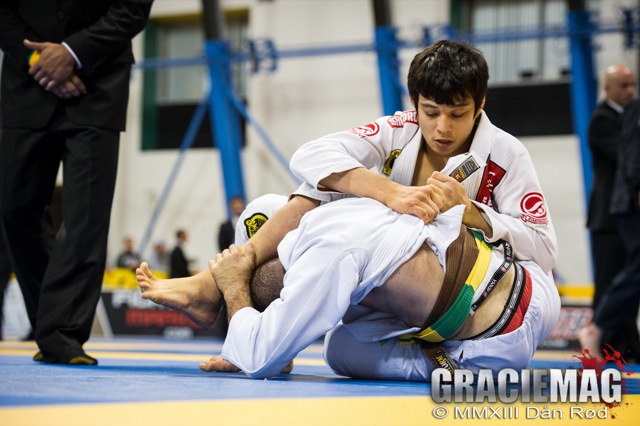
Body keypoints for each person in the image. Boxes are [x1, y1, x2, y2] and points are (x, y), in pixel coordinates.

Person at [212, 40, 557, 307]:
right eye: (430, 112)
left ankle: (215, 294)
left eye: (457, 114)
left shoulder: (505, 154)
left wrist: (473, 213)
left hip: (455, 291)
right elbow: (310, 155)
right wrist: (388, 192)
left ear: (480, 105)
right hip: (375, 268)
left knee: (344, 352)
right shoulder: (399, 129)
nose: (442, 128)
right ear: (414, 102)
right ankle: (231, 304)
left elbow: (544, 249)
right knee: (265, 210)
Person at [137, 195, 560, 380]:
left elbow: (257, 361)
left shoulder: (322, 253)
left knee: (339, 349)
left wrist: (233, 291)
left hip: (492, 355)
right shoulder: (347, 205)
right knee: (358, 307)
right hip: (537, 288)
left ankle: (246, 313)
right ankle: (273, 329)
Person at [0, 0, 154, 364]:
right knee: (14, 209)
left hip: (97, 85)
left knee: (86, 217)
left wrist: (72, 53)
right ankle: (51, 317)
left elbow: (132, 8)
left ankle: (61, 333)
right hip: (26, 83)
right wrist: (38, 60)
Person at [583, 64, 639, 358]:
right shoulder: (601, 120)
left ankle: (627, 343)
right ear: (607, 89)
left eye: (632, 85)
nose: (630, 91)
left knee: (629, 277)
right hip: (607, 216)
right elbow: (625, 158)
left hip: (627, 211)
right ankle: (604, 341)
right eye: (624, 86)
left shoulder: (628, 117)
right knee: (609, 280)